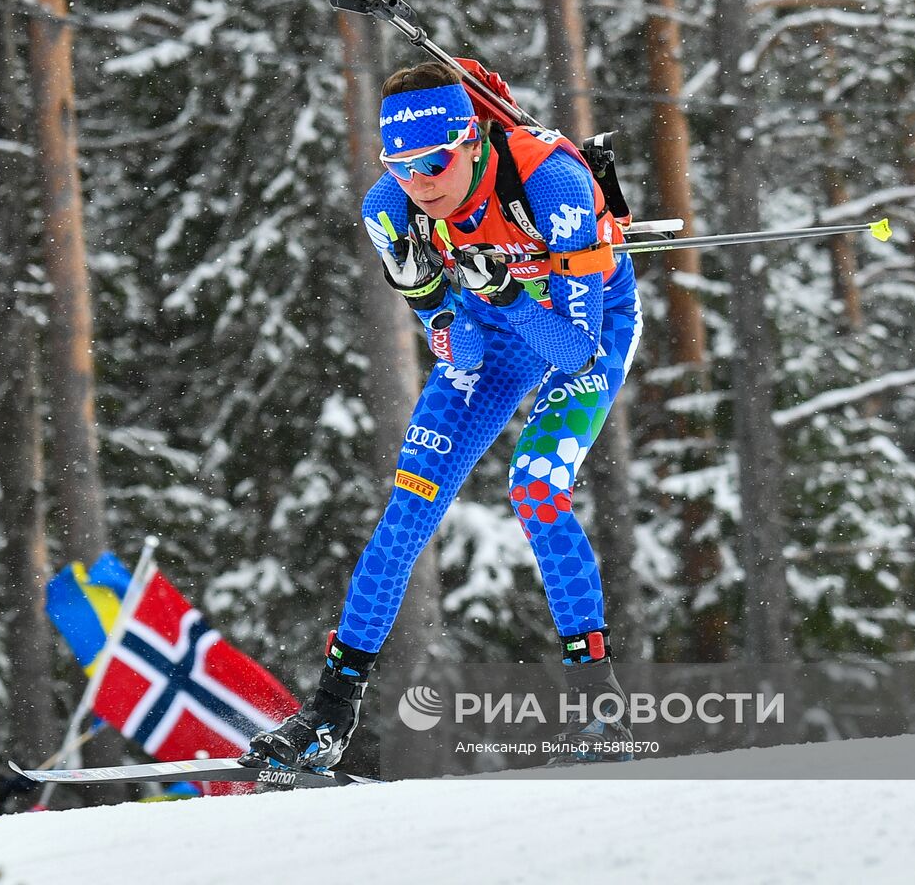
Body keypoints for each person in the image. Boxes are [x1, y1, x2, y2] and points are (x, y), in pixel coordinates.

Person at [245, 62, 642, 772]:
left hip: (587, 321)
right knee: (407, 511)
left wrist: (514, 297)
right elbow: (454, 340)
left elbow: (578, 354)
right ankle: (330, 715)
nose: (419, 181)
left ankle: (600, 711)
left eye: (433, 161)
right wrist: (430, 295)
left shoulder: (550, 184)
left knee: (536, 489)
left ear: (471, 138)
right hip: (494, 329)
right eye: (400, 164)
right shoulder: (388, 209)